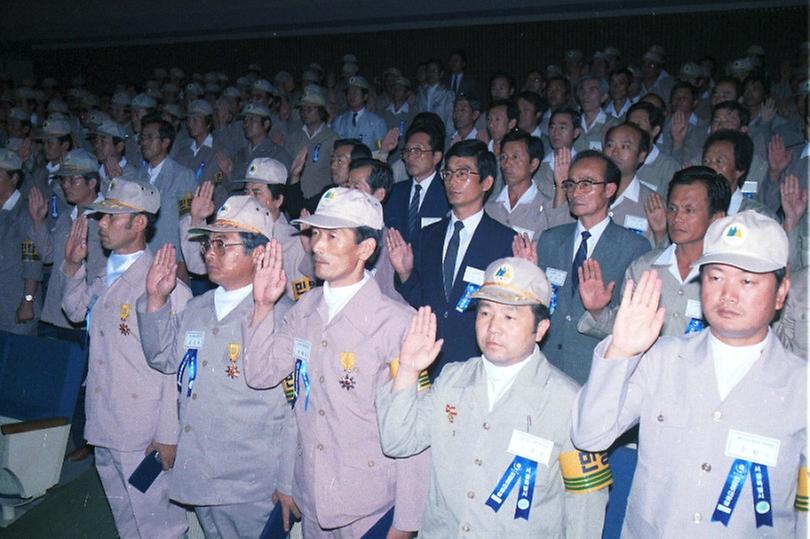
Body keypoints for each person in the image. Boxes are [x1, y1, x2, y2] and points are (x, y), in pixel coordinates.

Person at [572, 210, 806, 537]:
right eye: (715, 277)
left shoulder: (801, 387)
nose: (728, 293)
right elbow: (589, 435)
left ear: (781, 292)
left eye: (748, 281)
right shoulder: (664, 359)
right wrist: (620, 351)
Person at [377, 257, 610, 537]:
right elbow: (396, 442)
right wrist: (407, 370)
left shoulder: (570, 403)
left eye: (509, 316)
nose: (493, 327)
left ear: (541, 329)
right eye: (485, 313)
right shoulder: (452, 380)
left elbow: (585, 511)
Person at [243, 187, 429, 538]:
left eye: (332, 236)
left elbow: (414, 435)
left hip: (369, 507)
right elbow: (261, 374)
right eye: (315, 233)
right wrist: (262, 307)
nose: (317, 245)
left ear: (366, 248)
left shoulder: (398, 323)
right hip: (312, 496)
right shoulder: (305, 309)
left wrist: (405, 524)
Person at [137, 195, 296, 538]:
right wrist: (155, 300)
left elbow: (293, 411)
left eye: (223, 244)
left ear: (260, 254)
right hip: (200, 470)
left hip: (248, 483)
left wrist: (287, 480)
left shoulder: (281, 316)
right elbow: (164, 358)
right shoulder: (198, 307)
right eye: (209, 242)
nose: (209, 252)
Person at [61, 177, 190, 538]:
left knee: (158, 524)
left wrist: (168, 434)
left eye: (112, 217)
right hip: (105, 422)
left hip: (142, 431)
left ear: (139, 223)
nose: (101, 223)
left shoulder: (164, 284)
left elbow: (174, 368)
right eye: (102, 216)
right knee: (125, 516)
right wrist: (72, 267)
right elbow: (73, 310)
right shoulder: (106, 276)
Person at [389, 140, 516, 377]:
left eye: (463, 173)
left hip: (476, 361)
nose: (452, 181)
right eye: (448, 173)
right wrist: (405, 273)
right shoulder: (428, 235)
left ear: (487, 182)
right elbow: (421, 298)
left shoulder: (504, 241)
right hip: (429, 357)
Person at [525, 150, 650, 384]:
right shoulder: (551, 239)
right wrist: (528, 275)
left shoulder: (634, 247)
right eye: (571, 184)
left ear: (610, 189)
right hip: (545, 366)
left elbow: (634, 325)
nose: (575, 192)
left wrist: (598, 311)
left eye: (587, 184)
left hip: (595, 370)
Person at [578, 166, 730, 339]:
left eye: (689, 210)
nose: (677, 218)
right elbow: (625, 331)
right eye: (672, 209)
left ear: (717, 218)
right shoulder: (644, 268)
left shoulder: (729, 276)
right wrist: (597, 311)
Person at [383, 123, 449, 245]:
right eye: (407, 151)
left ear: (436, 157)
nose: (410, 157)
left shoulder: (448, 192)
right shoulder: (394, 192)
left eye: (417, 151)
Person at [0, 147, 42, 335]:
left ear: (14, 179)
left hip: (14, 305)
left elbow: (32, 262)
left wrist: (27, 301)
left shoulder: (25, 214)